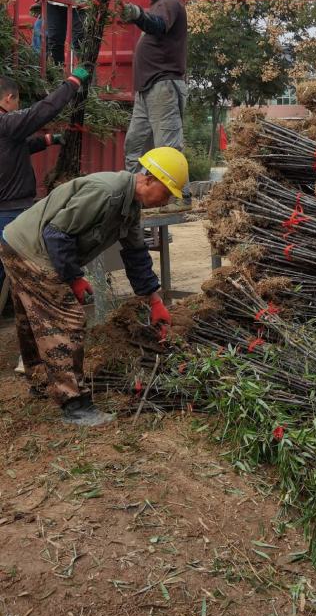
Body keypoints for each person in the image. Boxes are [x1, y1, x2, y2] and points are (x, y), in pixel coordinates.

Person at [0, 147, 189, 427]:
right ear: (149, 179)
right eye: (166, 192)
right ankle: (75, 404)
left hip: (20, 244)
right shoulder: (106, 192)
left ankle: (41, 382)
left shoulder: (130, 207)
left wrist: (155, 300)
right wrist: (74, 278)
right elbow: (56, 233)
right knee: (67, 322)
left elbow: (136, 254)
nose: (165, 201)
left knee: (34, 321)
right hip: (32, 251)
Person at [0, 67, 89, 294]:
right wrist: (73, 82)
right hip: (10, 212)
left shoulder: (6, 130)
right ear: (9, 98)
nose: (17, 107)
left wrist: (48, 140)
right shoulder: (6, 122)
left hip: (6, 210)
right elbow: (43, 111)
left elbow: (12, 149)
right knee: (22, 269)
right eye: (17, 102)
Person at [117, 0, 188, 179]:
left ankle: (180, 199)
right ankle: (140, 195)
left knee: (168, 149)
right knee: (134, 149)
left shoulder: (170, 2)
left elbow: (157, 25)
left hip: (163, 87)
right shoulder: (158, 4)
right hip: (147, 90)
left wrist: (135, 13)